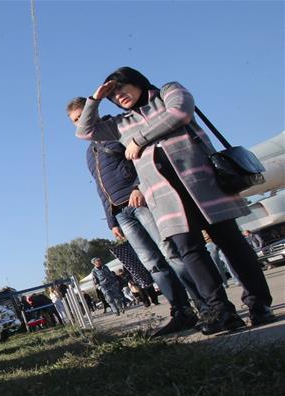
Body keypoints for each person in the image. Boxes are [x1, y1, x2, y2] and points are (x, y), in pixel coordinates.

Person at [76, 67, 275, 332]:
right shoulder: (120, 123)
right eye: (113, 95)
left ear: (136, 81)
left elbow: (180, 111)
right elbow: (85, 132)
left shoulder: (168, 92)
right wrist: (95, 99)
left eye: (122, 88)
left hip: (204, 185)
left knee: (233, 245)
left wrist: (139, 140)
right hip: (166, 198)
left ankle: (259, 305)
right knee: (191, 253)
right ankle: (222, 312)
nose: (119, 96)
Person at [67, 97, 201, 336]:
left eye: (82, 117)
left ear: (93, 112)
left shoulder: (117, 130)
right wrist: (111, 220)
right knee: (152, 263)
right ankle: (180, 310)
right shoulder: (90, 152)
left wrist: (139, 186)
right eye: (75, 121)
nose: (80, 123)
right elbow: (101, 188)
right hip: (121, 213)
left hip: (139, 200)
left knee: (170, 251)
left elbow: (143, 159)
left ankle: (204, 304)